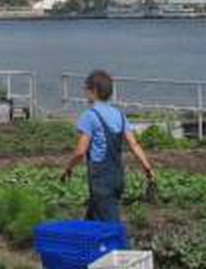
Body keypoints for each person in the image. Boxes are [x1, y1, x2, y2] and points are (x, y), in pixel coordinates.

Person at [60, 69, 157, 223]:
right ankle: (86, 243)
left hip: (101, 181)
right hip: (117, 177)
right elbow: (134, 144)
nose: (85, 93)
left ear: (94, 91)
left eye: (86, 89)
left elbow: (80, 152)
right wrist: (147, 168)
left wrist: (68, 169)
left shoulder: (90, 116)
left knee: (110, 228)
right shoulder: (119, 115)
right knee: (91, 222)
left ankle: (121, 246)